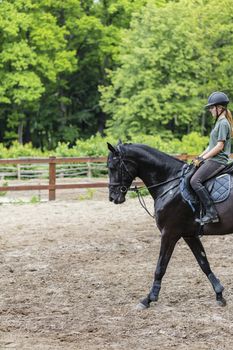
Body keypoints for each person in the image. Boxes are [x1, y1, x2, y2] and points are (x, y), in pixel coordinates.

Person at [190, 91, 233, 225]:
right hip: (212, 158)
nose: (210, 110)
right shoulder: (218, 123)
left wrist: (203, 160)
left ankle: (212, 213)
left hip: (218, 160)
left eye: (212, 107)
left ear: (220, 108)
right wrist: (199, 157)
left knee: (195, 181)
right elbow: (210, 147)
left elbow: (219, 147)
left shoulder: (223, 123)